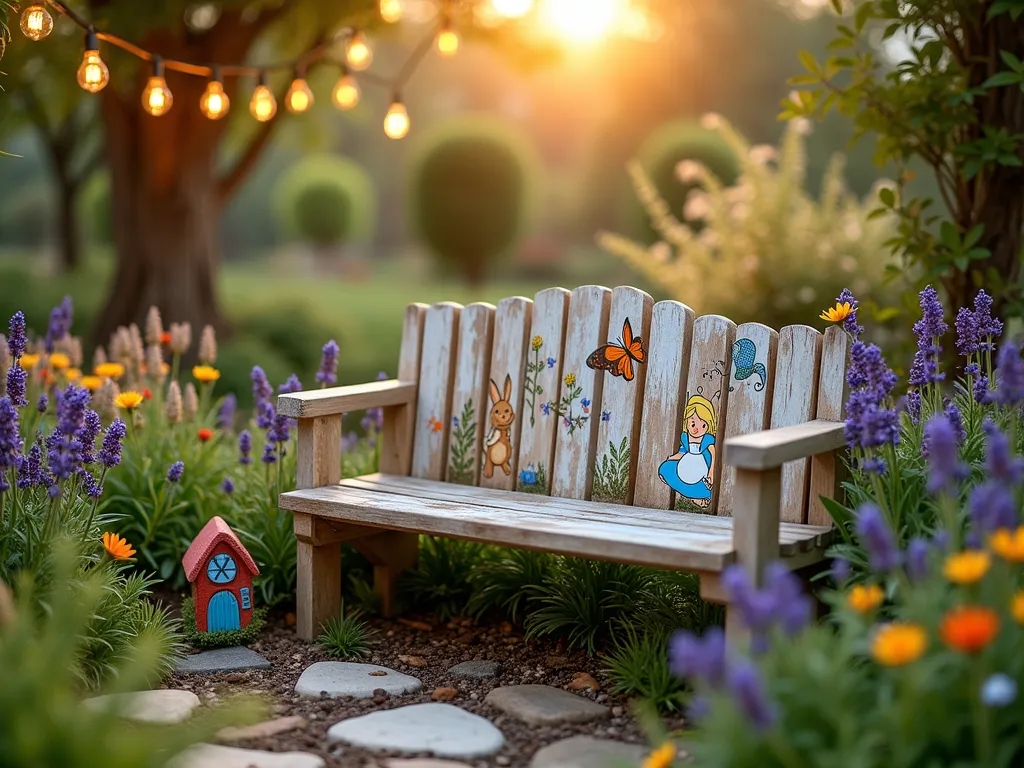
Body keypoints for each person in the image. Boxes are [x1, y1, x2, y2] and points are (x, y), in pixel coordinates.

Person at [658, 394, 717, 508]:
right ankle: (690, 494)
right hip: (686, 465)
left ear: (708, 425)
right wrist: (671, 458)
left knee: (700, 484)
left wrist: (711, 472)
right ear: (687, 421)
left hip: (700, 467)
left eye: (703, 425)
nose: (696, 429)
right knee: (666, 468)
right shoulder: (685, 437)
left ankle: (698, 496)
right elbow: (681, 453)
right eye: (693, 423)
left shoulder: (707, 439)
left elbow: (713, 454)